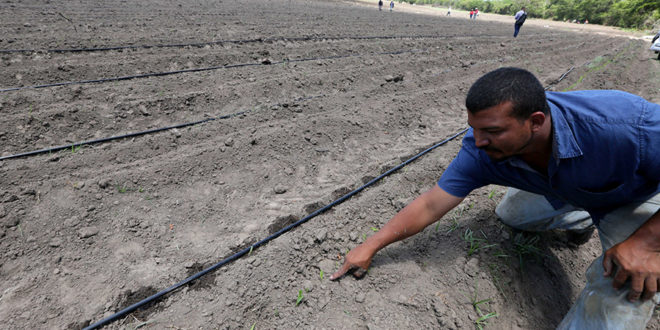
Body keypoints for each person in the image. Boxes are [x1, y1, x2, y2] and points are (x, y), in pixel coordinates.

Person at [331, 67, 660, 329]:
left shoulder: (624, 125)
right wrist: (371, 245)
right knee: (511, 214)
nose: (479, 141)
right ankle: (581, 216)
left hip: (631, 200)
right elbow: (433, 202)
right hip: (570, 190)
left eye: (492, 131)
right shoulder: (480, 150)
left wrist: (647, 244)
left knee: (624, 280)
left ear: (535, 122)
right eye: (474, 128)